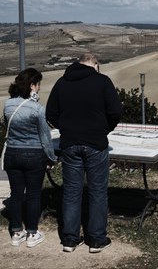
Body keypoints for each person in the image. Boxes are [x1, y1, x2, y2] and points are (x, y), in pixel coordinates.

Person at [46, 53, 123, 253]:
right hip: (96, 143)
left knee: (71, 192)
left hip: (70, 143)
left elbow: (50, 113)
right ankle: (96, 239)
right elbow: (116, 111)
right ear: (95, 65)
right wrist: (103, 128)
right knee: (98, 191)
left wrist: (66, 128)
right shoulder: (102, 82)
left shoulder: (62, 82)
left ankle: (70, 239)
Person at [3, 68, 57, 248]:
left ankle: (16, 231)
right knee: (34, 195)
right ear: (32, 85)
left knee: (16, 194)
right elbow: (45, 137)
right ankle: (32, 233)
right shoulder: (37, 109)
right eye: (38, 84)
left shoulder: (8, 105)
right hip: (34, 155)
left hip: (12, 153)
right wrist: (51, 158)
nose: (40, 88)